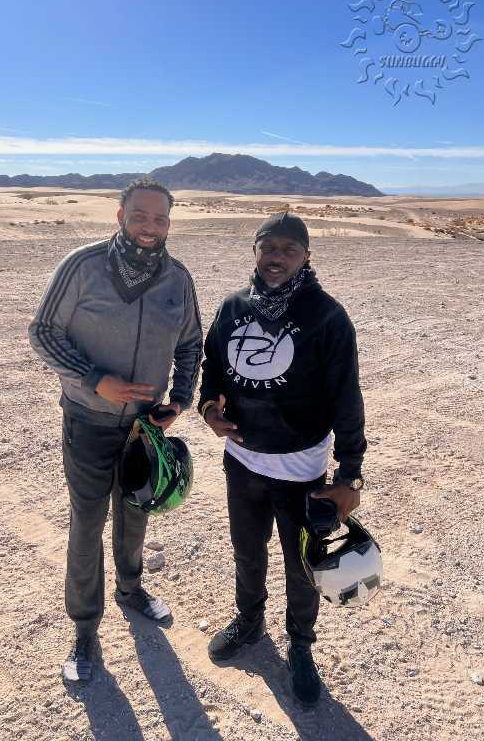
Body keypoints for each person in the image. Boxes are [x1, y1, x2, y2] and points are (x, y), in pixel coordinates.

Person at [28, 178, 202, 681]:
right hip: (88, 421)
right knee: (87, 524)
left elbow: (191, 342)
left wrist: (180, 400)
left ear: (169, 223)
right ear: (120, 215)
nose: (150, 226)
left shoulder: (178, 279)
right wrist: (93, 379)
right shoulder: (82, 266)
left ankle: (131, 588)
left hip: (144, 428)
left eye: (160, 218)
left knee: (136, 513)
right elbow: (43, 332)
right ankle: (85, 629)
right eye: (140, 215)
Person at [197, 212, 366, 708]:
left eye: (289, 250)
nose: (277, 258)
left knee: (301, 566)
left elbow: (347, 396)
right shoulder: (234, 306)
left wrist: (350, 474)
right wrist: (208, 407)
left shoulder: (327, 316)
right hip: (242, 461)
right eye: (268, 247)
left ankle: (301, 646)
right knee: (247, 552)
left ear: (306, 256)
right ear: (255, 251)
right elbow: (213, 364)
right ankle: (250, 621)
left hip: (301, 471)